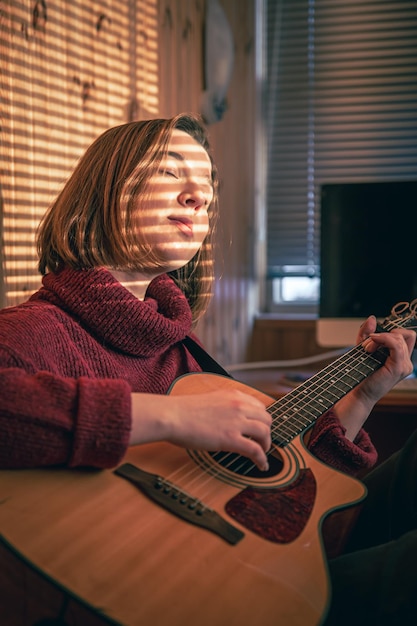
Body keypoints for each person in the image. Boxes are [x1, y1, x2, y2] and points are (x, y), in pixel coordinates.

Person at [0, 112, 415, 624]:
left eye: (207, 188)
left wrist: (363, 398)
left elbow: (292, 479)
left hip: (262, 549)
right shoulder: (35, 329)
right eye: (172, 172)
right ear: (102, 191)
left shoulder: (185, 352)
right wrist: (171, 418)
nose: (198, 197)